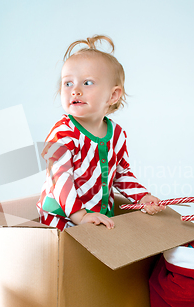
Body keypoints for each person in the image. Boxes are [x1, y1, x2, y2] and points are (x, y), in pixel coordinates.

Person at [37, 35, 164, 231]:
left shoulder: (117, 135)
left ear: (113, 95)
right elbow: (59, 177)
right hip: (62, 217)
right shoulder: (63, 132)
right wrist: (79, 215)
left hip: (99, 215)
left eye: (87, 83)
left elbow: (121, 173)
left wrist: (142, 197)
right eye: (68, 83)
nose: (75, 90)